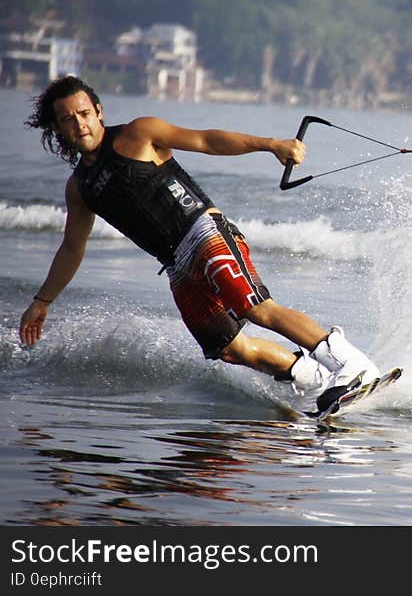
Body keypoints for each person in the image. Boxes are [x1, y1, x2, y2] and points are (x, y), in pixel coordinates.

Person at [18, 75, 380, 413]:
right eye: (68, 119)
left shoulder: (138, 134)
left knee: (255, 307)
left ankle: (350, 364)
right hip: (177, 267)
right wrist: (42, 301)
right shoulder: (80, 187)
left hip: (204, 233)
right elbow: (71, 248)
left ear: (99, 112)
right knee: (229, 349)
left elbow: (207, 141)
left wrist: (271, 145)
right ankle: (316, 381)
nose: (79, 124)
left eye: (84, 113)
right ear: (58, 128)